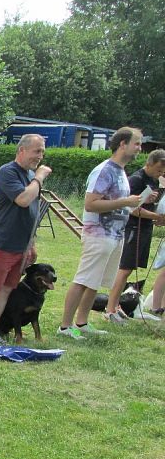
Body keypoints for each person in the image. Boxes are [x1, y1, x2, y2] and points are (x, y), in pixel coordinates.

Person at [57, 127, 143, 339]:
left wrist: (137, 202)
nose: (140, 148)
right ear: (122, 144)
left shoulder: (121, 171)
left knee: (96, 282)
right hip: (98, 234)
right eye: (137, 143)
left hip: (115, 235)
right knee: (84, 279)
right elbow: (90, 204)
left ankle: (82, 322)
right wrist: (125, 201)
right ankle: (65, 326)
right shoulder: (104, 170)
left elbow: (118, 203)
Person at [0, 134, 51, 345]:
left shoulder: (30, 175)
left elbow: (33, 211)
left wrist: (31, 243)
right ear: (21, 150)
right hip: (3, 241)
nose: (40, 156)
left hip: (21, 245)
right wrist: (39, 178)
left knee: (7, 289)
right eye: (37, 151)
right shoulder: (8, 172)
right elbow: (24, 200)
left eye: (42, 151)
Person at [103, 149, 165, 322]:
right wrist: (156, 217)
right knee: (124, 270)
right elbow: (131, 208)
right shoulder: (136, 180)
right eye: (159, 170)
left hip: (145, 228)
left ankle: (117, 306)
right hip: (132, 229)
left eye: (163, 172)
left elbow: (144, 202)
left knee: (129, 270)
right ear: (150, 163)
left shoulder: (152, 180)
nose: (160, 174)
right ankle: (110, 309)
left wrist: (153, 210)